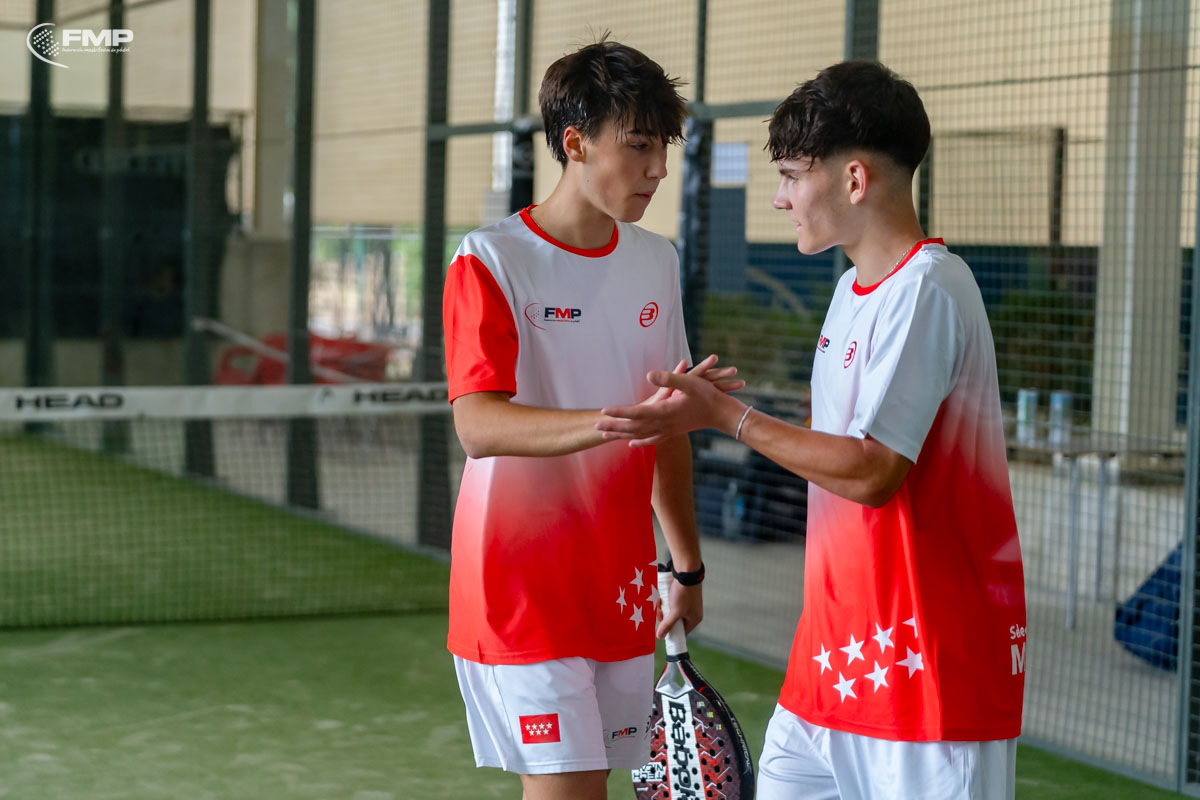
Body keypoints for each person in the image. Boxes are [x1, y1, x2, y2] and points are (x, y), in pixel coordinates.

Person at [597, 60, 1027, 799]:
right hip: (832, 665)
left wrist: (727, 416)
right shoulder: (851, 292)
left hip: (928, 675)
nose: (780, 197)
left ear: (855, 180)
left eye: (793, 176)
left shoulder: (929, 289)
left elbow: (872, 471)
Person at [442, 38, 742, 800]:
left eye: (663, 148)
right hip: (518, 586)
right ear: (574, 143)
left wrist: (685, 566)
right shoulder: (489, 261)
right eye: (638, 146)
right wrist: (615, 422)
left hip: (622, 586)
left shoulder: (656, 261)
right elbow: (479, 424)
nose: (658, 169)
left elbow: (667, 426)